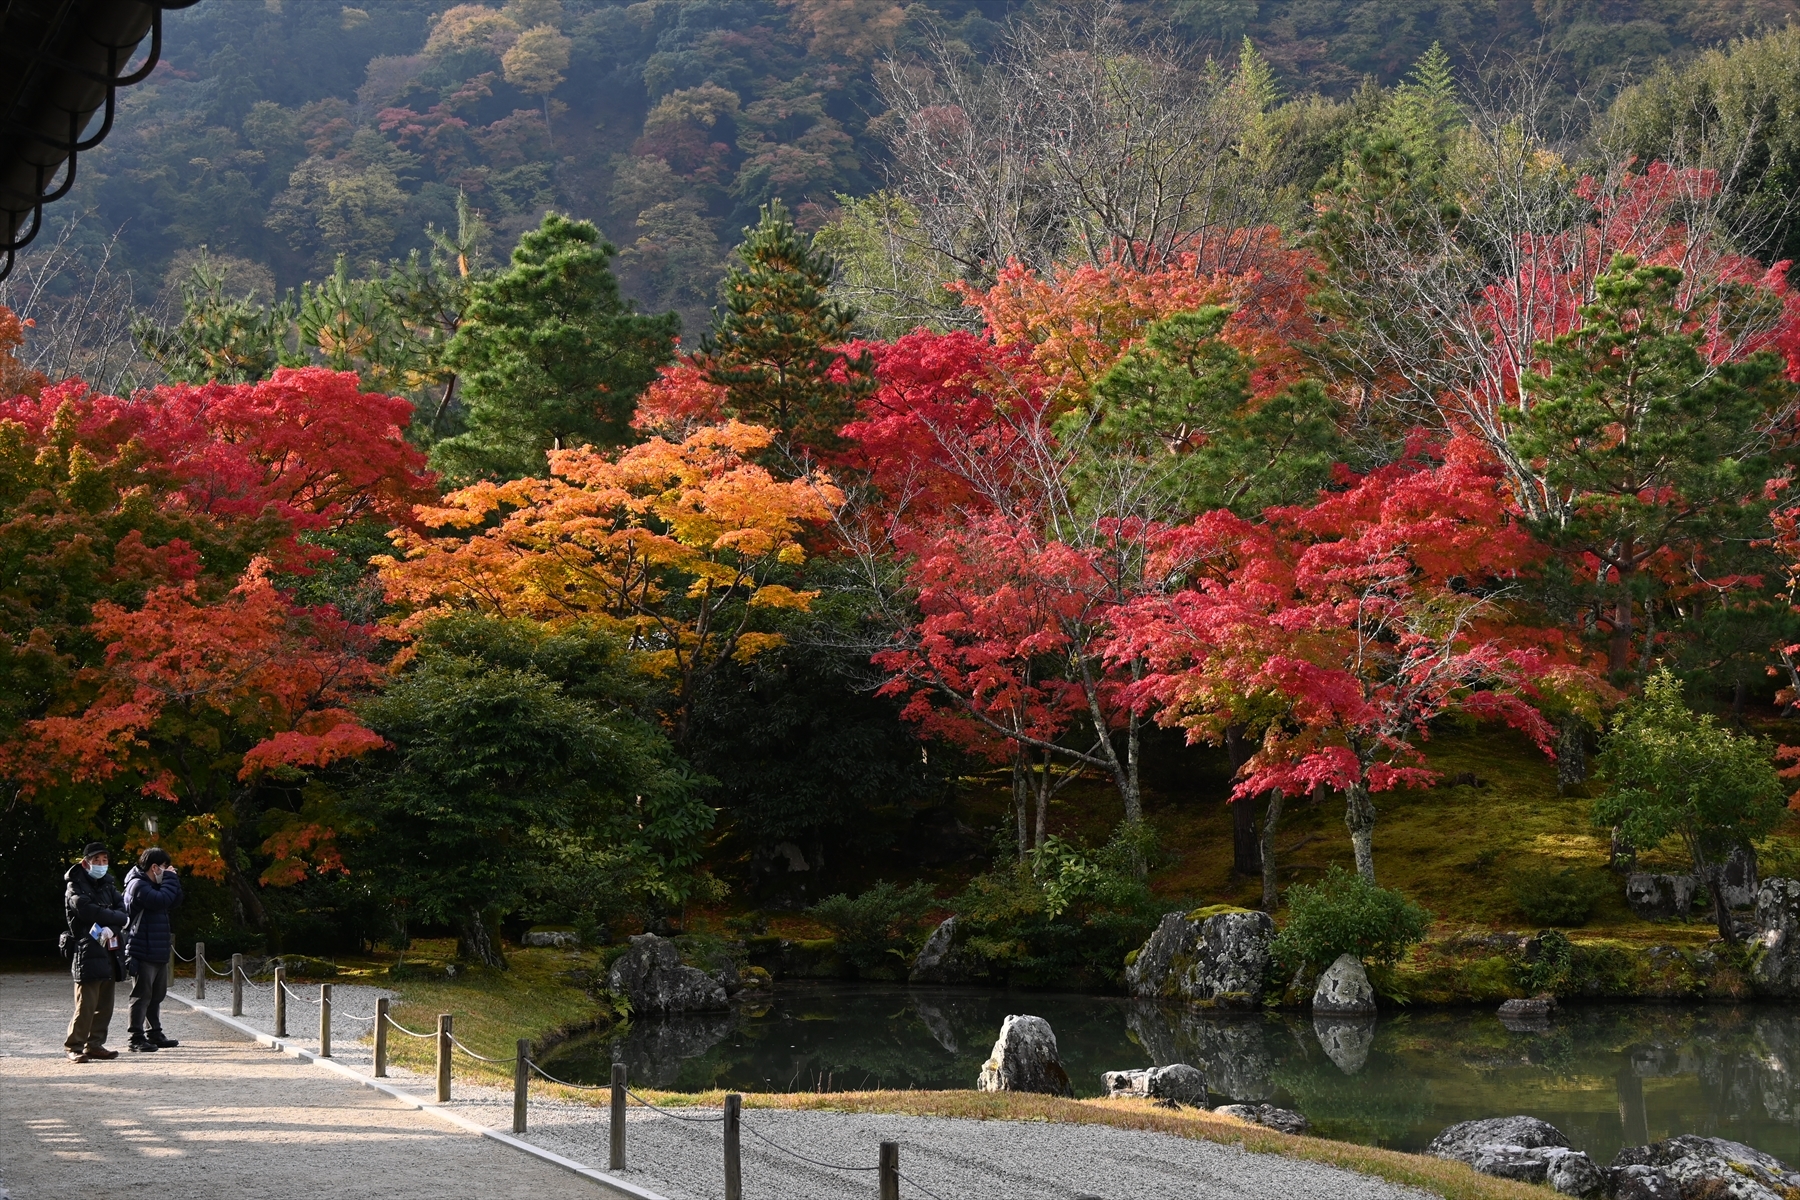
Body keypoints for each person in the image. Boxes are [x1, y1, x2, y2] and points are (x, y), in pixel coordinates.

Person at [63, 843, 126, 1063]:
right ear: (85, 863)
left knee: (105, 1004)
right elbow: (87, 911)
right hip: (87, 949)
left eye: (104, 860)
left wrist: (113, 927)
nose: (101, 864)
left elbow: (123, 910)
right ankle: (74, 1046)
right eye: (96, 860)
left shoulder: (108, 884)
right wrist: (115, 918)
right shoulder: (74, 886)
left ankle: (95, 1044)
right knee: (86, 1003)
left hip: (109, 949)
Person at [122, 847, 183, 1053]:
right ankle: (135, 1037)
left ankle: (154, 1033)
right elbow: (161, 900)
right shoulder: (137, 885)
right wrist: (170, 880)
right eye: (165, 867)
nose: (168, 871)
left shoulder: (155, 886)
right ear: (155, 867)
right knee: (141, 995)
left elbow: (175, 900)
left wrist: (171, 880)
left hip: (157, 948)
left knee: (157, 995)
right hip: (141, 948)